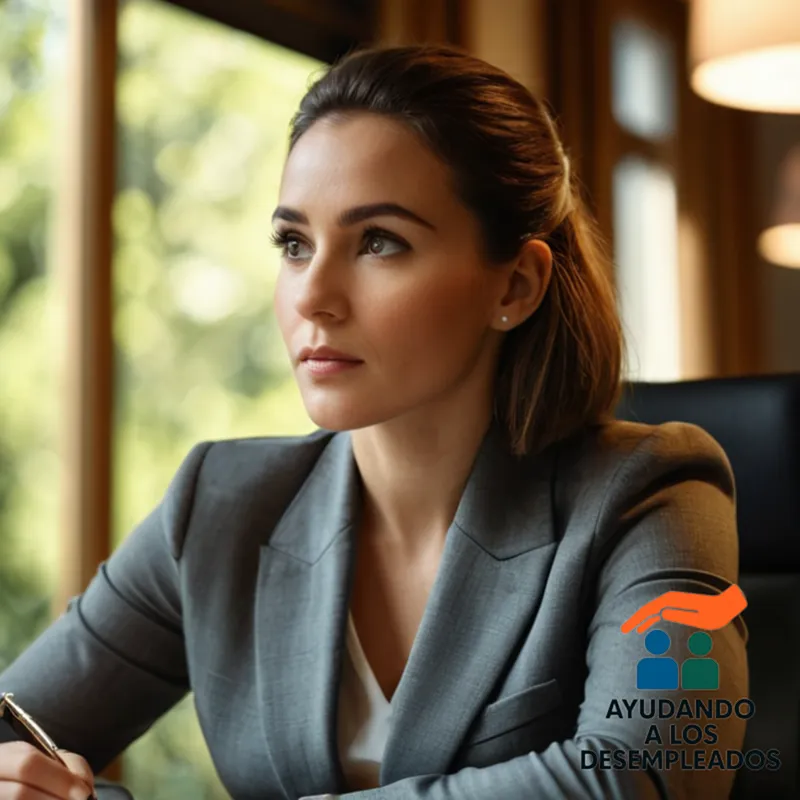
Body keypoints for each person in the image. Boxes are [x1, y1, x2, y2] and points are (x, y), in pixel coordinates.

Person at [0, 42, 748, 800]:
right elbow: (11, 740)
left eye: (379, 243)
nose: (313, 296)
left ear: (515, 285)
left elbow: (644, 780)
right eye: (294, 244)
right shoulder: (217, 505)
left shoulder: (651, 492)